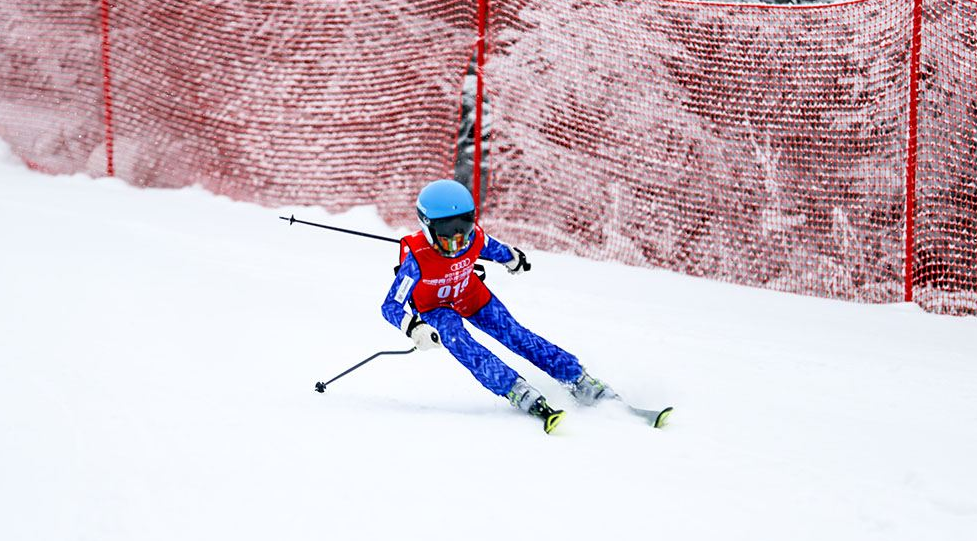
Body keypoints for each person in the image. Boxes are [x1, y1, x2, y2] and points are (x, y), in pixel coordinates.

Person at [381, 179, 616, 433]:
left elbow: (494, 248)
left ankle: (577, 378)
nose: (458, 243)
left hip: (469, 293)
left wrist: (513, 258)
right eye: (448, 234)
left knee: (515, 334)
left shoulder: (474, 239)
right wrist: (413, 328)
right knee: (460, 341)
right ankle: (514, 389)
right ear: (427, 228)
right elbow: (390, 307)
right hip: (433, 308)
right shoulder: (416, 259)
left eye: (465, 228)